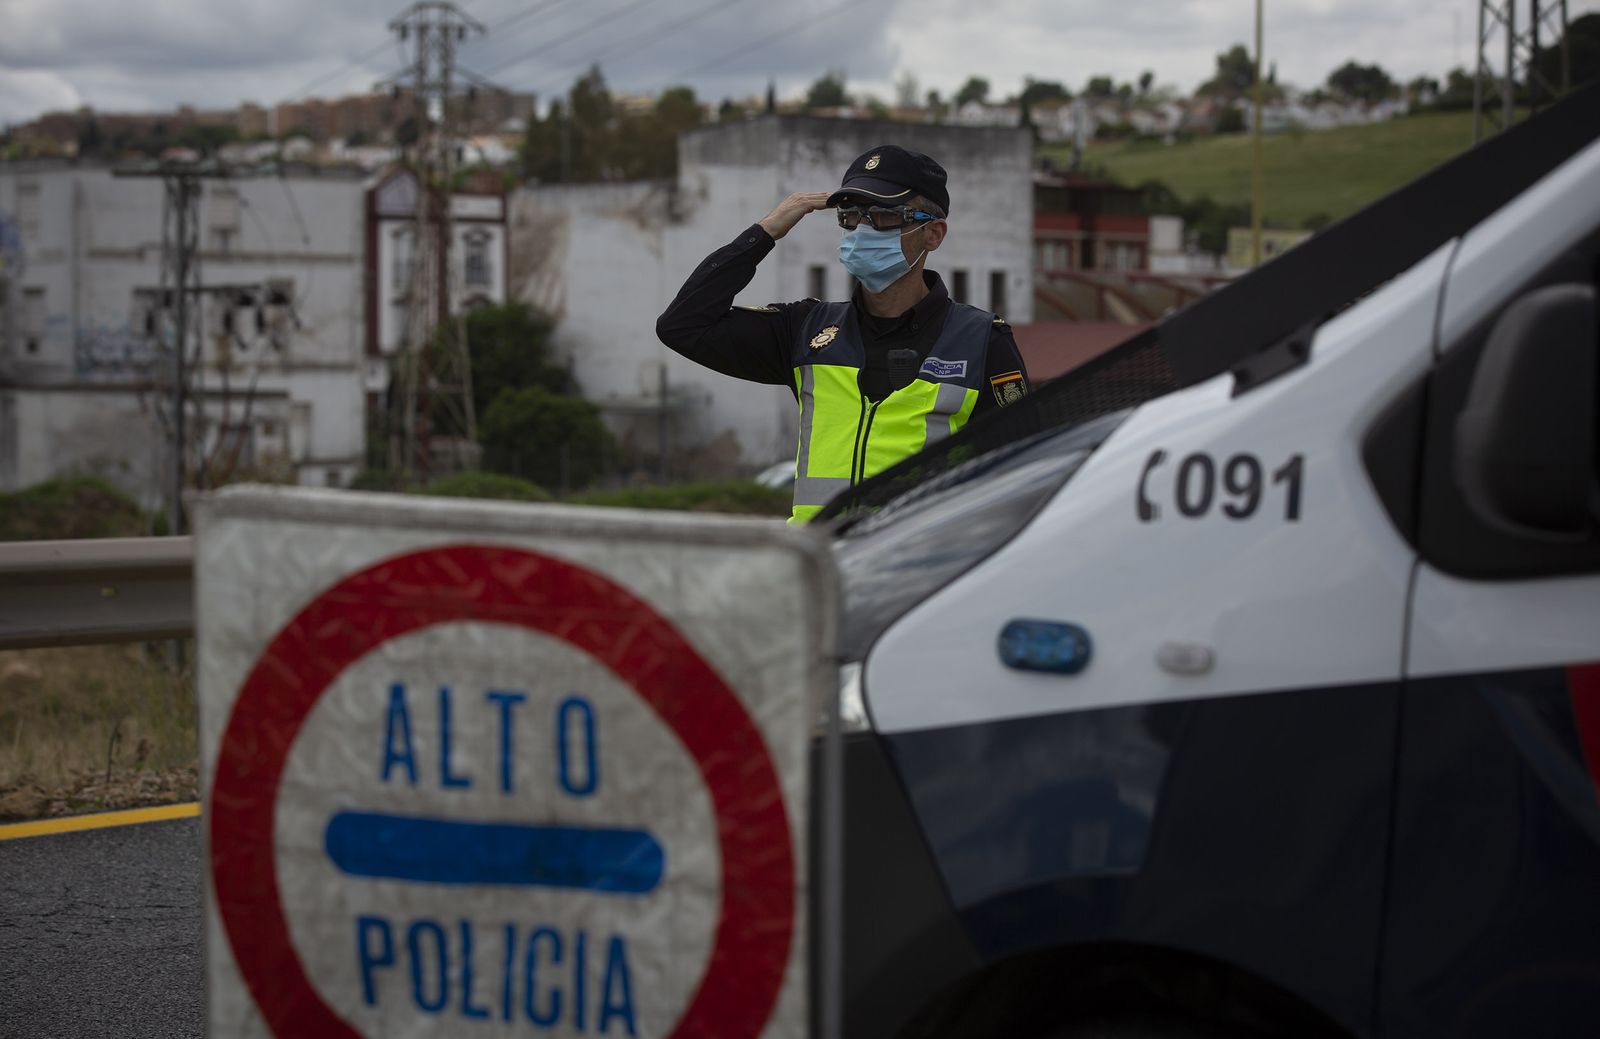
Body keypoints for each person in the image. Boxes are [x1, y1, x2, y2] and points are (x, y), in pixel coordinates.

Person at [655, 144, 1031, 523]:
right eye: (850, 216)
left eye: (883, 216)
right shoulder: (805, 330)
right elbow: (683, 325)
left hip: (914, 571)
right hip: (819, 569)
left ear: (933, 234)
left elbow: (1023, 474)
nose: (862, 230)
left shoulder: (981, 341)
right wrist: (766, 232)